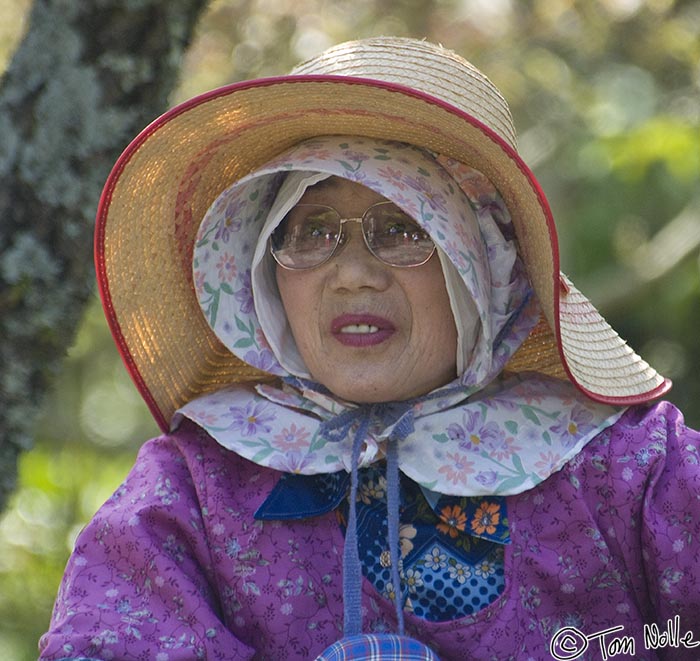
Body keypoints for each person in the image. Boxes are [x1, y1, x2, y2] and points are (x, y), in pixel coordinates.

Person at [39, 37, 699, 661]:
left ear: (484, 266)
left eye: (402, 227)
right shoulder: (192, 490)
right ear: (267, 275)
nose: (352, 272)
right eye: (313, 229)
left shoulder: (629, 469)